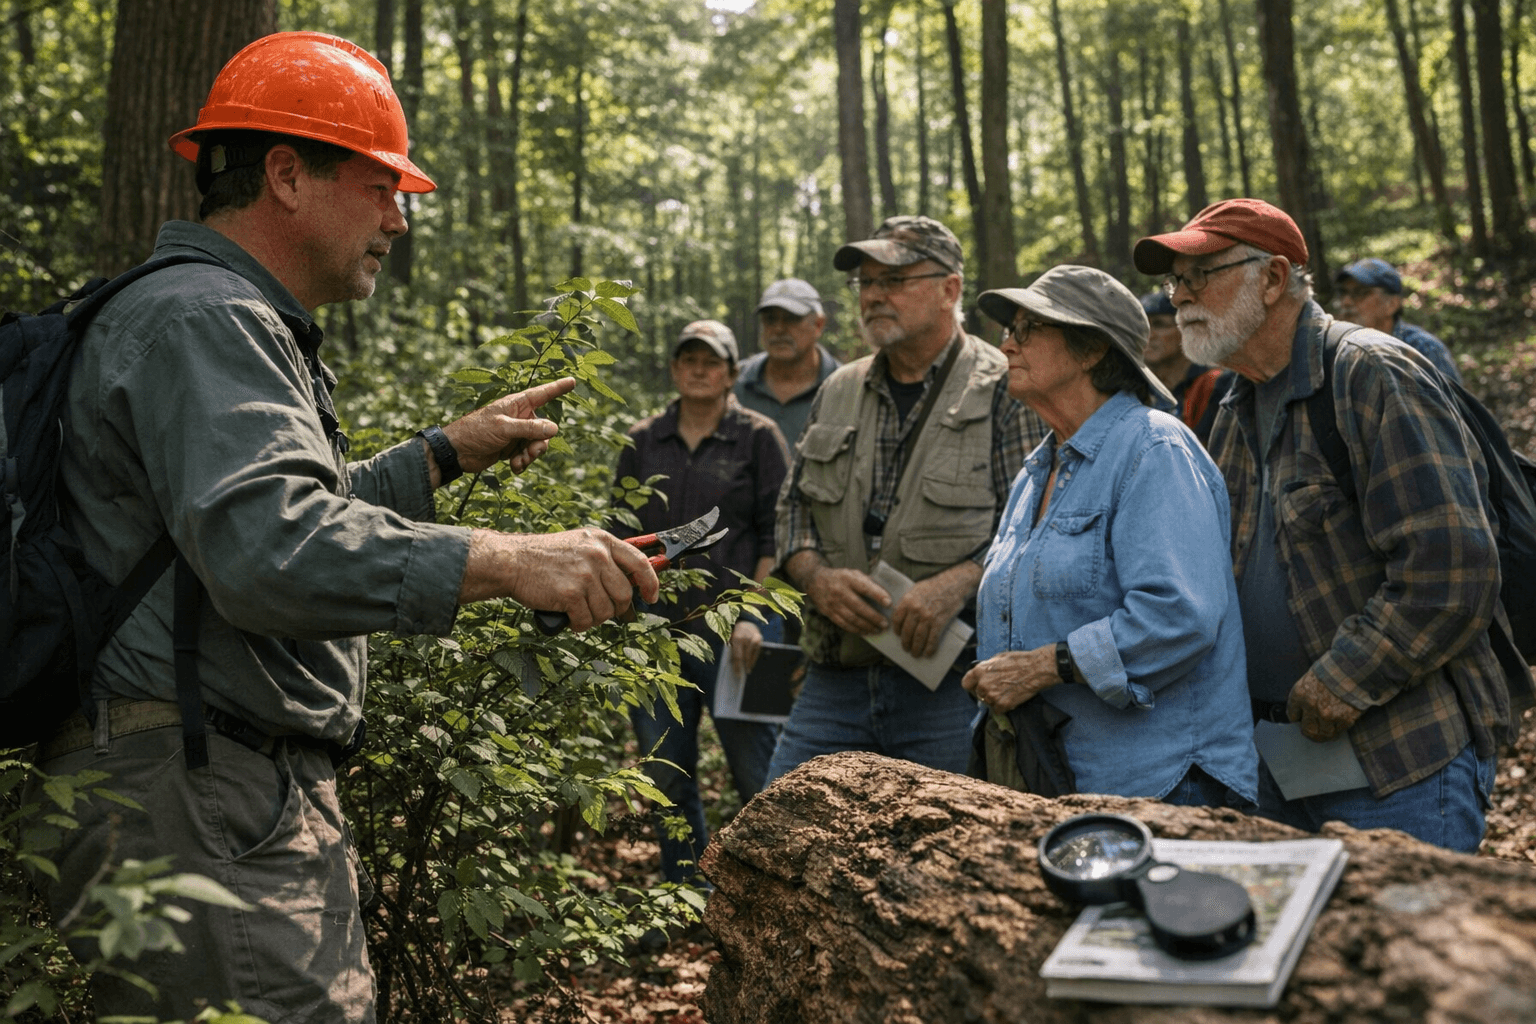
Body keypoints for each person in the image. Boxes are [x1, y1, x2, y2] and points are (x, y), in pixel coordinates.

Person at [29, 32, 660, 1024]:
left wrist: (444, 454)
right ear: (286, 174)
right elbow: (271, 554)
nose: (398, 220)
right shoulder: (208, 318)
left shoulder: (203, 313)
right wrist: (508, 559)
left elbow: (241, 534)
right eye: (380, 187)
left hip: (210, 789)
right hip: (202, 800)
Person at [1133, 198, 1515, 852]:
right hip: (1273, 765)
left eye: (1200, 276)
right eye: (1174, 282)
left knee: (1404, 950)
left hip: (1398, 761)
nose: (1179, 299)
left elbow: (1453, 571)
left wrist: (1344, 677)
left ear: (1274, 278)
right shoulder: (1232, 404)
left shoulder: (1371, 372)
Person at [962, 267, 1258, 807]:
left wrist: (1041, 667)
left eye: (1028, 329)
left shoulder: (1153, 448)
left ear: (1092, 350)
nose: (1005, 343)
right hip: (1059, 783)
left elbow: (1179, 614)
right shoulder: (1036, 472)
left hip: (1161, 788)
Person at [765, 215, 1046, 783]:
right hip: (834, 676)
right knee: (777, 840)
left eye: (893, 280)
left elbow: (1039, 527)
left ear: (951, 289)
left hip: (949, 681)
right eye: (865, 283)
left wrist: (960, 581)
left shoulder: (1005, 387)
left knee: (944, 854)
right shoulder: (839, 388)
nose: (873, 296)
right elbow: (792, 511)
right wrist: (816, 577)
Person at [615, 320, 788, 884]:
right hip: (656, 636)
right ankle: (687, 893)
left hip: (743, 633)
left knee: (760, 771)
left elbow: (776, 535)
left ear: (732, 374)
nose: (698, 368)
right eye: (688, 358)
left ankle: (770, 892)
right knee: (665, 772)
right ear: (673, 369)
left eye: (711, 361)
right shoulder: (642, 440)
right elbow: (623, 534)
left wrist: (754, 615)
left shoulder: (759, 437)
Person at [733, 278, 842, 449]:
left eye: (791, 319)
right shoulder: (734, 382)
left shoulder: (844, 387)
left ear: (818, 325)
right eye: (770, 319)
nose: (778, 329)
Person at [1333, 258, 1462, 383]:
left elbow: (1453, 403)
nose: (1346, 302)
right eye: (1343, 293)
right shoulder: (1337, 349)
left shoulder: (1423, 349)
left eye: (1360, 293)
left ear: (1392, 305)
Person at [1140, 289, 1229, 442]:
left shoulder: (1216, 385)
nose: (1149, 334)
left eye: (1159, 324)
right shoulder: (1137, 390)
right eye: (1142, 325)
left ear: (1186, 329)